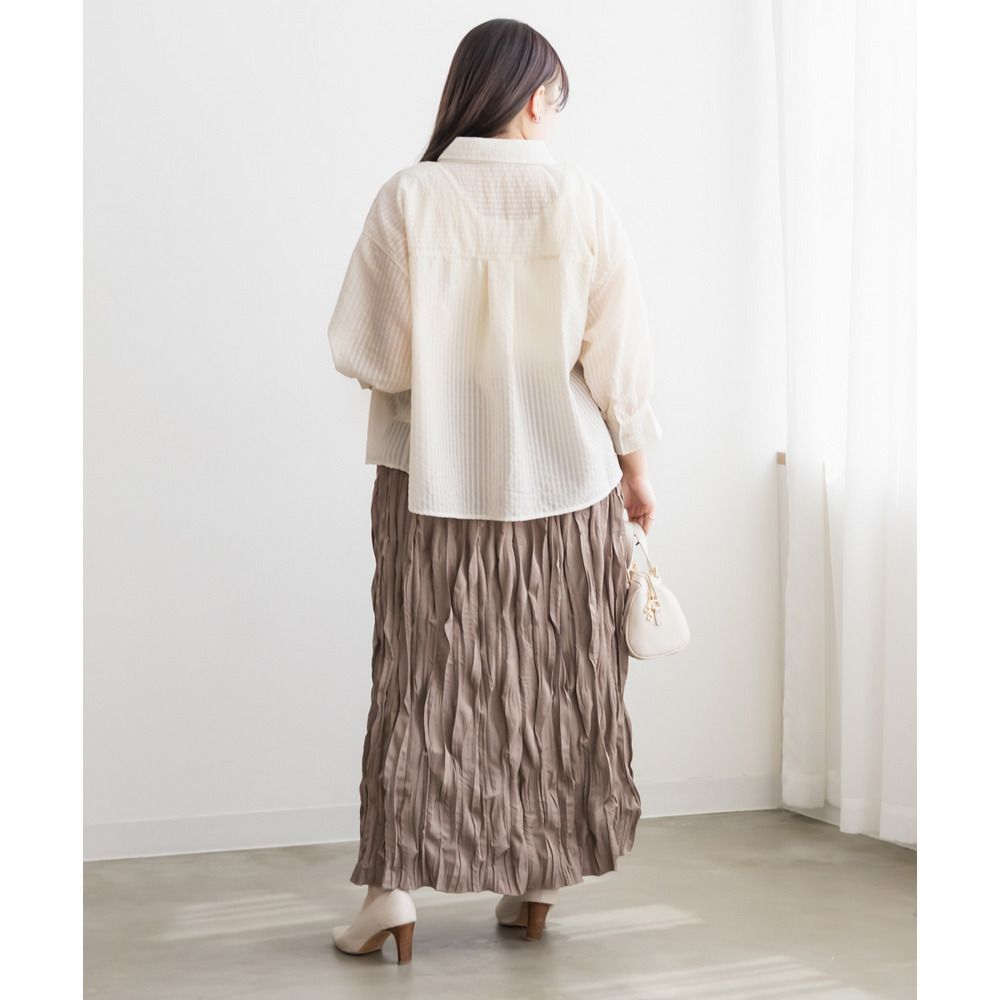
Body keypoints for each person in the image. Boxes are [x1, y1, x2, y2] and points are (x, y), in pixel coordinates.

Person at [326, 17, 662, 964]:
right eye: (555, 93)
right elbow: (619, 358)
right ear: (532, 97)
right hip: (569, 484)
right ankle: (538, 877)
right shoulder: (580, 198)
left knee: (421, 682)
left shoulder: (408, 196)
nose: (555, 109)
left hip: (433, 485)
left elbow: (371, 353)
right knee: (553, 677)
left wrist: (448, 359)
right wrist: (638, 468)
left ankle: (391, 893)